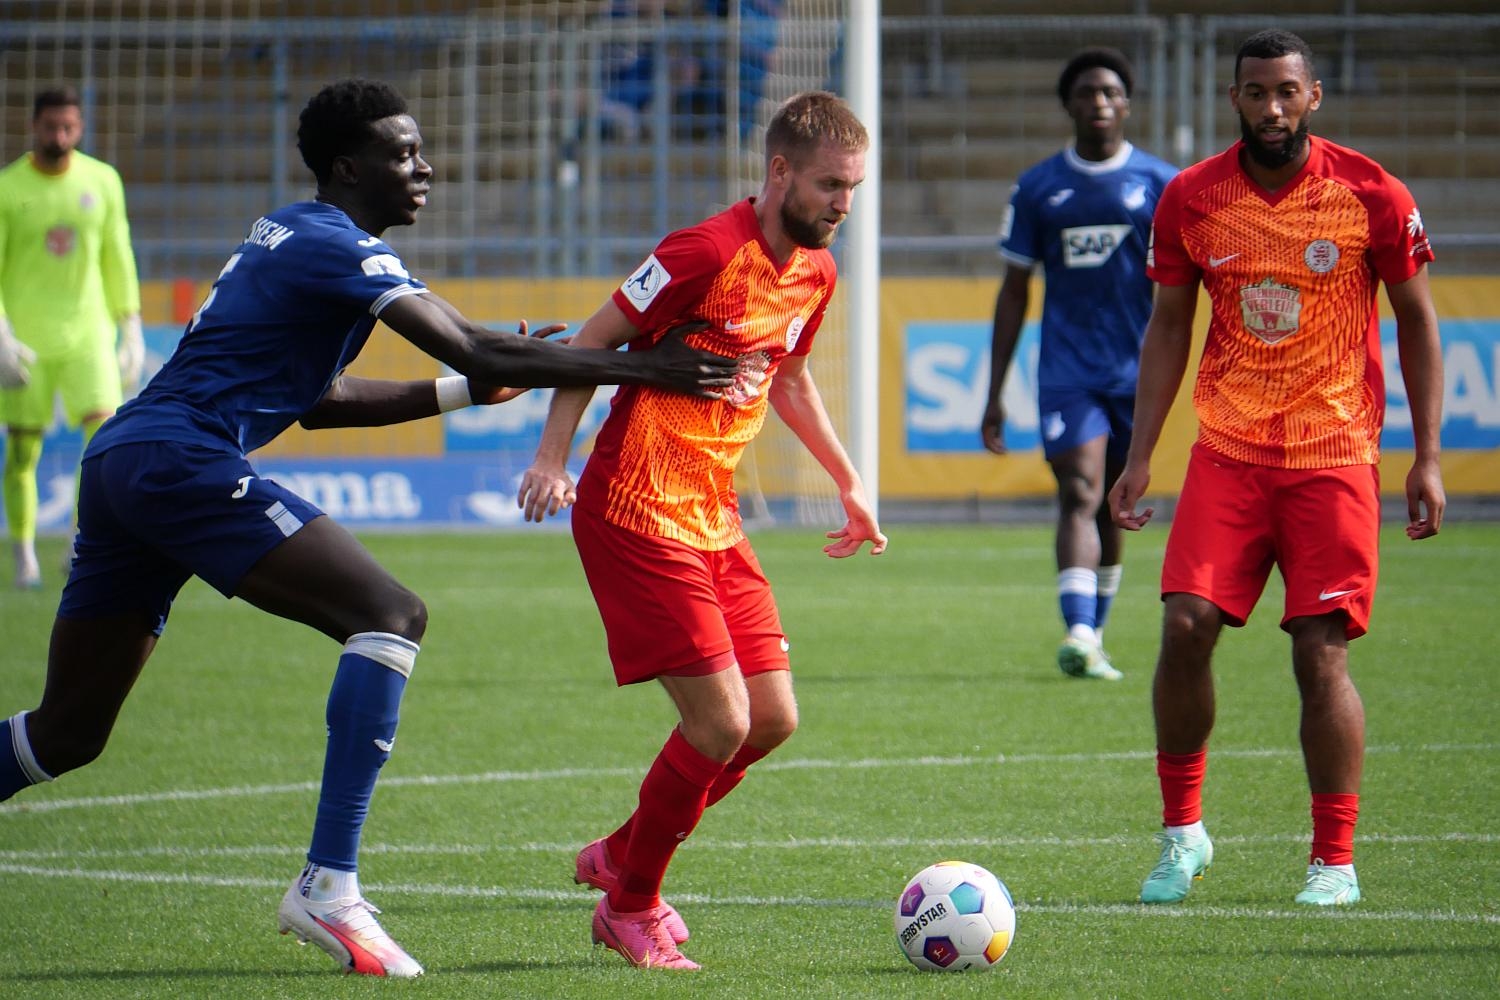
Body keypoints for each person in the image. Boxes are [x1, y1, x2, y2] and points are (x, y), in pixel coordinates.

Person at [0, 78, 738, 979]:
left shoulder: (294, 236)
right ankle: (328, 885)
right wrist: (642, 366)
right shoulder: (331, 244)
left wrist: (476, 389)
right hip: (178, 460)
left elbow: (320, 402)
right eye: (401, 153)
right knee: (389, 613)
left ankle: (327, 884)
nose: (423, 167)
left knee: (66, 734)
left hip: (128, 463)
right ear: (348, 168)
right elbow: (474, 342)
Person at [517, 90, 885, 971]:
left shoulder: (817, 273)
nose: (843, 204)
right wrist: (550, 459)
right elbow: (587, 346)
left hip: (712, 517)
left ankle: (621, 852)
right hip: (636, 510)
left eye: (855, 190)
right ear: (779, 171)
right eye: (832, 185)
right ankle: (629, 907)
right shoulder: (702, 251)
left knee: (772, 720)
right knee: (718, 724)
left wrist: (849, 481)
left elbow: (788, 379)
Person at [1108, 30, 1444, 907]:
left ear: (1314, 95)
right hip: (1227, 453)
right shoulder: (1191, 198)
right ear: (1235, 100)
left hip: (1334, 455)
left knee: (1319, 656)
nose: (1271, 108)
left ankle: (1333, 862)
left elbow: (1416, 320)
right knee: (1184, 627)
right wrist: (1141, 456)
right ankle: (1182, 837)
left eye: (1286, 91)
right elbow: (1170, 327)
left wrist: (1428, 456)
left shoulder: (1370, 192)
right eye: (1255, 93)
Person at [981, 48, 1177, 682]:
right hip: (1068, 372)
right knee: (1081, 489)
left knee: (1115, 502)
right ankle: (1079, 630)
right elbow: (1014, 290)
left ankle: (1095, 633)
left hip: (1138, 374)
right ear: (1068, 104)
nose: (1099, 101)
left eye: (1110, 92)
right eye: (1087, 92)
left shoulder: (1161, 184)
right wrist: (993, 394)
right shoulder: (1039, 187)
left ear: (1127, 103)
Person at [0, 84, 143, 590]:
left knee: (103, 440)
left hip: (88, 333)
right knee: (23, 452)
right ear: (34, 127)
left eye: (67, 127)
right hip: (26, 339)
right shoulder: (8, 187)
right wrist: (0, 332)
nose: (58, 135)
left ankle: (80, 541)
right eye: (49, 127)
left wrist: (130, 325)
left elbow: (117, 253)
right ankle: (23, 552)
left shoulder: (102, 181)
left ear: (79, 129)